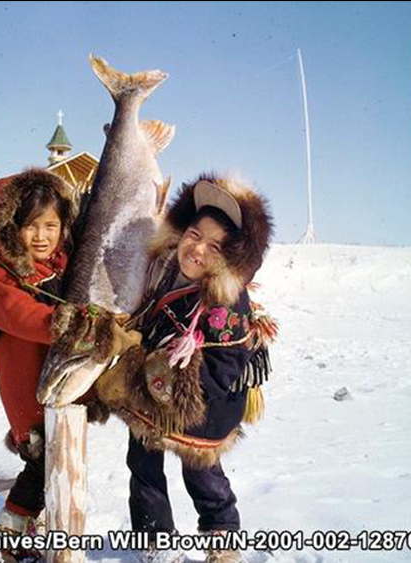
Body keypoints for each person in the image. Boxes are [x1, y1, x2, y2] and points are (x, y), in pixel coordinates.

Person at [95, 173, 275, 563]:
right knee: (142, 466)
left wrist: (175, 385)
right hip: (150, 388)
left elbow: (225, 366)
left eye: (215, 246)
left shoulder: (227, 303)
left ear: (232, 258)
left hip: (204, 404)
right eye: (194, 235)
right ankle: (155, 541)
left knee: (203, 474)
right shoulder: (161, 269)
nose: (197, 250)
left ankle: (223, 538)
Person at [0, 168, 137, 562]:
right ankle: (7, 537)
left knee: (60, 457)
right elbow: (21, 315)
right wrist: (72, 325)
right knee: (41, 460)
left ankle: (40, 528)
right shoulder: (2, 275)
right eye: (31, 226)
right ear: (9, 227)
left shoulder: (62, 264)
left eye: (51, 225)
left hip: (61, 384)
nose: (42, 236)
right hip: (27, 389)